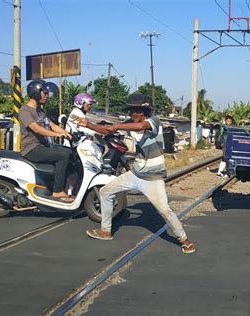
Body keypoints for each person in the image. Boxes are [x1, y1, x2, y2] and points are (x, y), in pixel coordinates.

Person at [79, 92, 195, 254]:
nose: (135, 114)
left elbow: (140, 127)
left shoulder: (154, 121)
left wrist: (116, 126)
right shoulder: (128, 124)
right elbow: (107, 130)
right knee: (106, 192)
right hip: (135, 173)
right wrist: (88, 124)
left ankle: (184, 240)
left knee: (164, 210)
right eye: (132, 110)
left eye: (138, 111)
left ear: (145, 111)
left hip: (153, 177)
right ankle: (105, 231)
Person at [18, 80, 73, 202]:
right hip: (32, 149)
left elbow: (52, 125)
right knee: (63, 156)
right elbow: (36, 129)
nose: (47, 96)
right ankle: (58, 191)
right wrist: (57, 134)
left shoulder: (40, 111)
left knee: (70, 152)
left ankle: (68, 187)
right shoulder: (25, 111)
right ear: (36, 93)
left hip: (44, 147)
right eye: (45, 93)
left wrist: (65, 132)